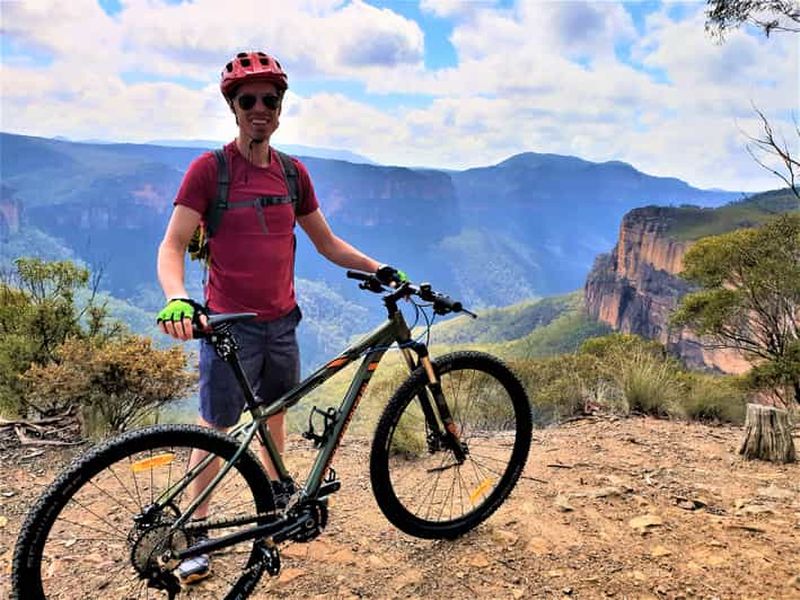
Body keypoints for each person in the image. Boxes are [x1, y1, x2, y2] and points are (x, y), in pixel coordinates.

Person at [156, 50, 404, 584]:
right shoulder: (210, 170)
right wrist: (177, 298)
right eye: (248, 100)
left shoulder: (292, 174)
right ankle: (195, 531)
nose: (260, 109)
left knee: (275, 415)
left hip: (282, 322)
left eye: (270, 99)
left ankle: (275, 507)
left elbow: (327, 243)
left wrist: (379, 267)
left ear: (281, 105)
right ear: (233, 107)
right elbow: (172, 244)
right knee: (216, 429)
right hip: (228, 325)